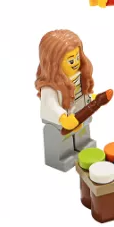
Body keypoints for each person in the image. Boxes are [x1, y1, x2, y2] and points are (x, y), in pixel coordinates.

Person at [36, 29, 99, 171]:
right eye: (71, 60)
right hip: (61, 121)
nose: (75, 63)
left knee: (83, 131)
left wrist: (91, 99)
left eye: (77, 57)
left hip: (81, 113)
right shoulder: (50, 86)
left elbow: (82, 94)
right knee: (61, 138)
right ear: (53, 62)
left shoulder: (80, 76)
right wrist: (62, 118)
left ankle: (84, 146)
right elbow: (49, 104)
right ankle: (63, 156)